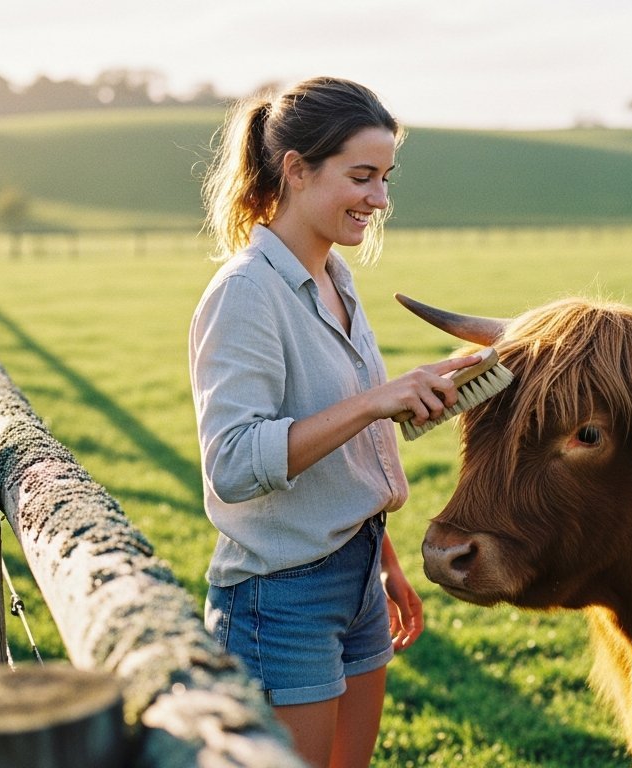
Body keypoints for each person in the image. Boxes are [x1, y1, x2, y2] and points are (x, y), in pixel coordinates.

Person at [190, 76, 478, 768]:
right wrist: (376, 400)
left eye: (385, 178)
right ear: (296, 170)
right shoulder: (246, 295)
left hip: (359, 578)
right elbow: (230, 462)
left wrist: (381, 562)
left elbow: (348, 450)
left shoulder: (336, 282)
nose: (379, 199)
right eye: (362, 176)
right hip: (279, 596)